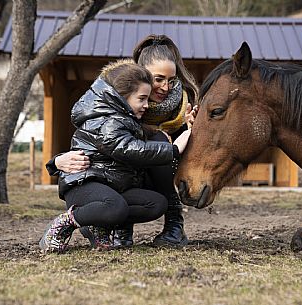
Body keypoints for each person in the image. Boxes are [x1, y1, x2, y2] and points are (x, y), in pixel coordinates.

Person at [49, 34, 199, 247]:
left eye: (171, 80)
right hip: (107, 178)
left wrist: (193, 125)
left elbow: (189, 142)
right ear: (139, 76)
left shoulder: (180, 104)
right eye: (158, 79)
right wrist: (57, 161)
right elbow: (90, 137)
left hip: (149, 176)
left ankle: (174, 225)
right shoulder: (115, 100)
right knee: (156, 142)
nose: (166, 88)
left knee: (158, 143)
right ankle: (113, 226)